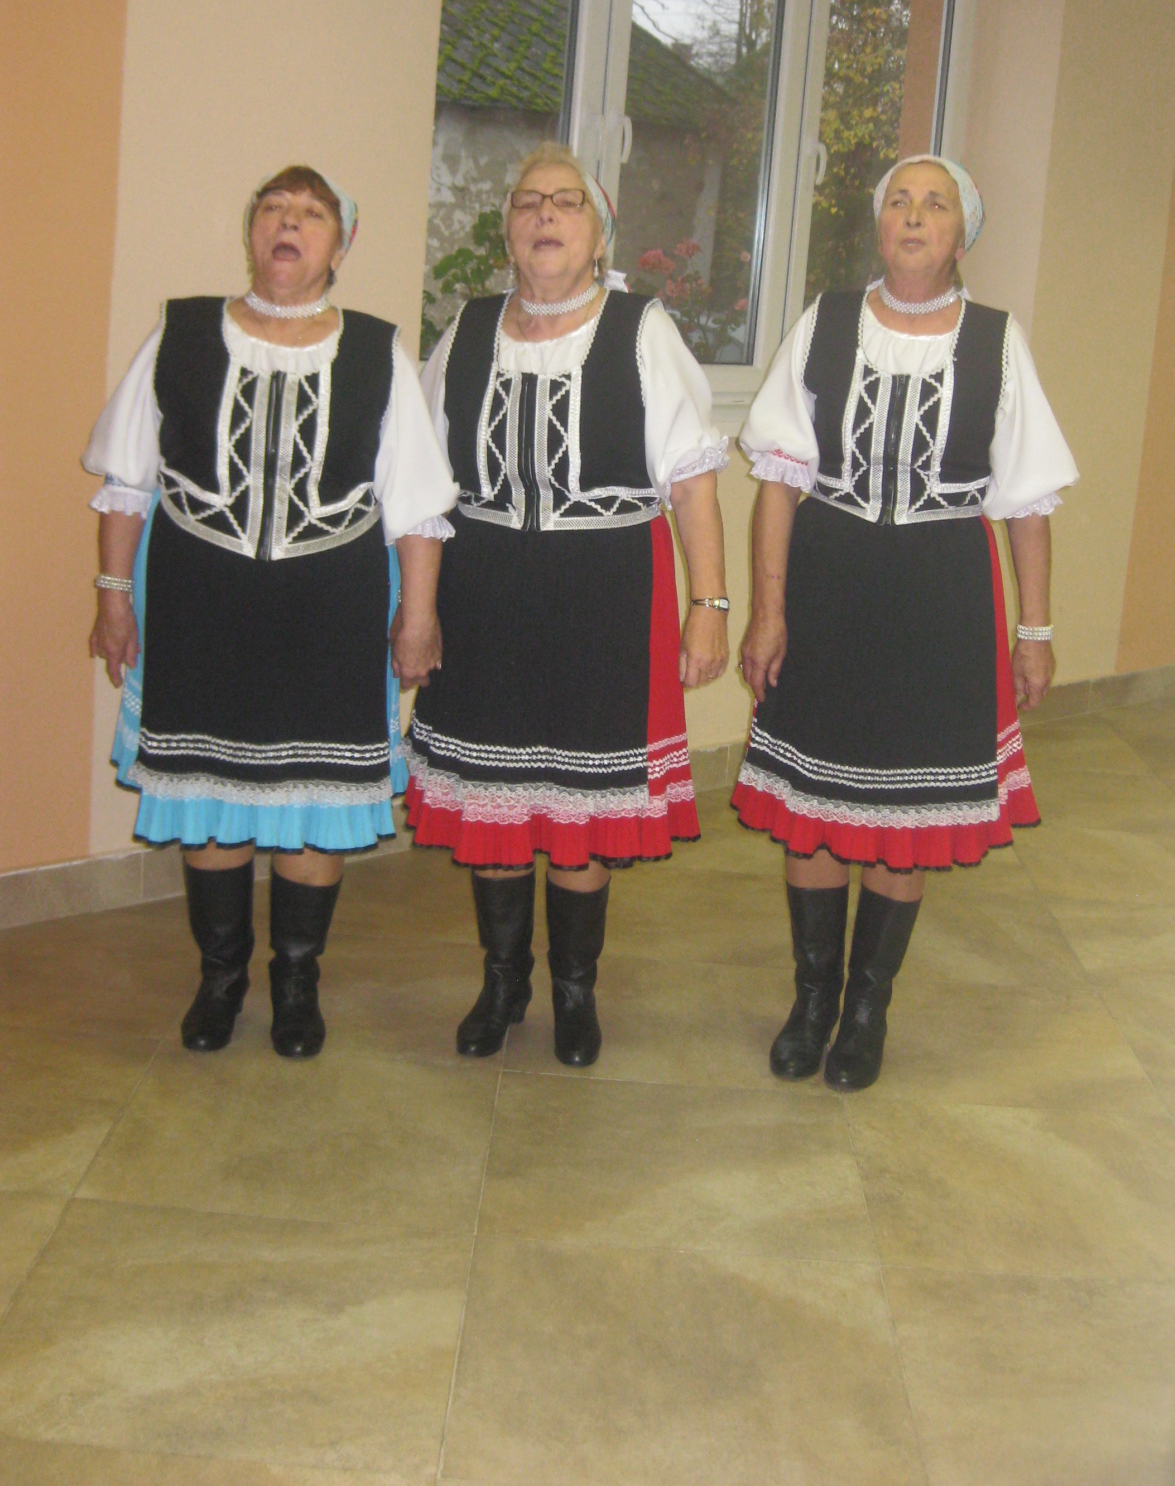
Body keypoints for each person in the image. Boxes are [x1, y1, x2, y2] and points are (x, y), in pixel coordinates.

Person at [85, 167, 456, 1059]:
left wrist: (417, 617)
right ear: (252, 231)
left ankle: (296, 981)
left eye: (312, 214)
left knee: (317, 798)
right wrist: (113, 597)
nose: (289, 224)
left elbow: (415, 507)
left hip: (332, 612)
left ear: (340, 245)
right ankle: (220, 978)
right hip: (198, 604)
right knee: (207, 792)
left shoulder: (376, 352)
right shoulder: (179, 333)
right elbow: (127, 482)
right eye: (274, 210)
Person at [733, 154, 1078, 1091]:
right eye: (899, 201)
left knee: (904, 817)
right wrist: (767, 612)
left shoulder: (997, 341)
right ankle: (812, 1000)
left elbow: (1027, 501)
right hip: (829, 584)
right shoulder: (826, 321)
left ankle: (866, 1009)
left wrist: (1035, 630)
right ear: (879, 225)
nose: (915, 217)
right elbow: (778, 481)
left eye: (935, 205)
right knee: (812, 813)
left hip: (940, 596)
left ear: (963, 235)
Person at [407, 142, 729, 1068]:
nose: (545, 214)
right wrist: (419, 612)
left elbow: (692, 481)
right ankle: (502, 981)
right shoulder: (467, 331)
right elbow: (423, 488)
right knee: (497, 806)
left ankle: (574, 991)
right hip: (484, 595)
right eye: (528, 201)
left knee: (580, 812)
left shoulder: (641, 329)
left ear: (598, 236)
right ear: (509, 230)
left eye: (567, 201)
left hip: (605, 596)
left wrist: (709, 602)